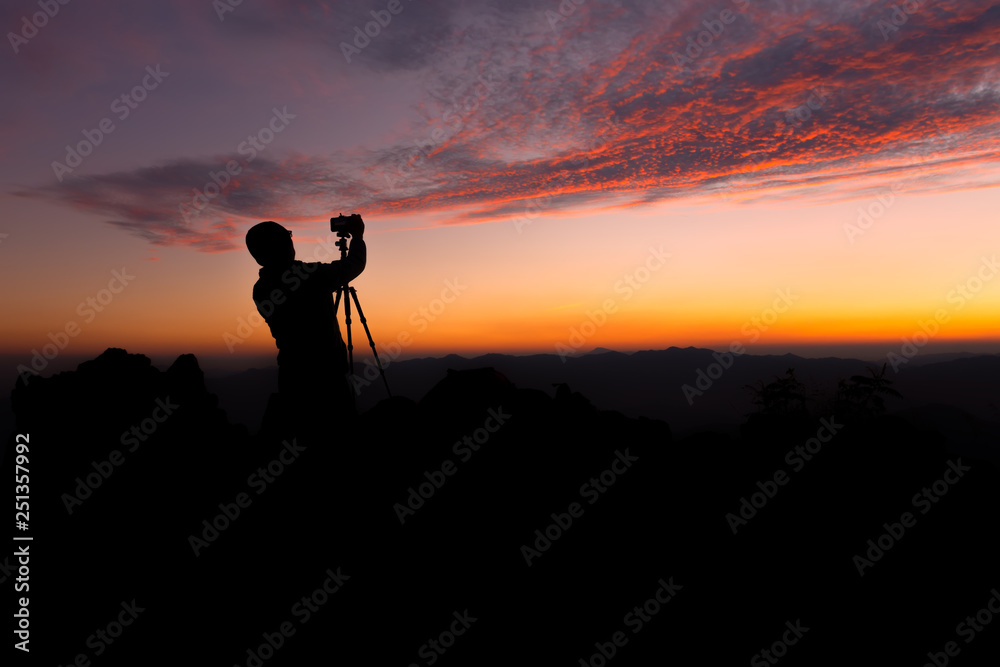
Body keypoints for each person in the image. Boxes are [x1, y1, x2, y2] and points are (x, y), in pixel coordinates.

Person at [245, 217, 366, 441]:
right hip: (326, 376)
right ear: (283, 245)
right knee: (339, 434)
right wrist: (358, 236)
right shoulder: (306, 275)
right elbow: (353, 265)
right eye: (288, 239)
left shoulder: (260, 289)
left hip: (293, 374)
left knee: (301, 435)